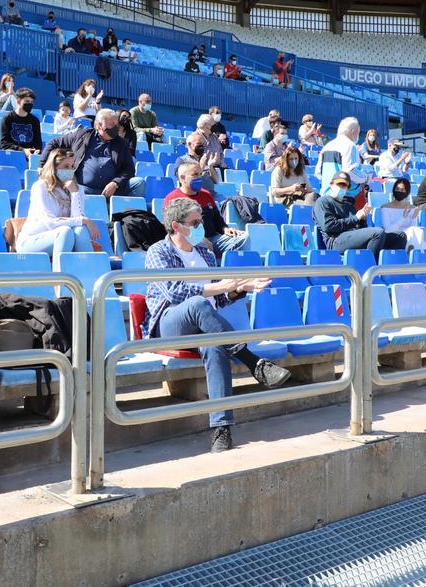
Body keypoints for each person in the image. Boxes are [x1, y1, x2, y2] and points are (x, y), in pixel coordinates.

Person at [143, 197, 289, 453]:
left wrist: (241, 288)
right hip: (169, 323)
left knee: (215, 347)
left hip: (204, 325)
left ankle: (221, 430)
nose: (201, 226)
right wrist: (221, 285)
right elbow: (174, 293)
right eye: (195, 222)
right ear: (177, 226)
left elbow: (219, 299)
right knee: (198, 304)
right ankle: (252, 361)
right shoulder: (159, 251)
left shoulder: (205, 253)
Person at [42, 108, 144, 198]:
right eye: (112, 124)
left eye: (116, 124)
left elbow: (129, 169)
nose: (116, 128)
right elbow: (53, 143)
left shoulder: (122, 143)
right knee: (71, 187)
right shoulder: (82, 135)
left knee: (139, 182)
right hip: (84, 189)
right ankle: (103, 208)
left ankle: (119, 212)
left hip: (112, 191)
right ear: (99, 125)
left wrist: (115, 182)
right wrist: (41, 164)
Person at [18, 148, 97, 257]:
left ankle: (91, 270)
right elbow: (50, 223)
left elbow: (78, 219)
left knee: (80, 230)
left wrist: (74, 193)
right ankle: (60, 272)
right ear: (54, 168)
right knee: (65, 231)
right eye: (66, 166)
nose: (70, 170)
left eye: (72, 166)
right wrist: (83, 220)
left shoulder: (77, 188)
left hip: (64, 238)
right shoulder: (40, 186)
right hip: (33, 239)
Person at [315, 171, 406, 258]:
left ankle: (388, 268)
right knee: (377, 233)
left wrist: (362, 219)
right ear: (331, 184)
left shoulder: (348, 204)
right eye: (339, 184)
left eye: (344, 185)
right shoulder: (323, 202)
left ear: (348, 188)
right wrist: (356, 218)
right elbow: (328, 226)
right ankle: (371, 268)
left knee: (400, 236)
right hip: (336, 240)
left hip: (351, 236)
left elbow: (359, 229)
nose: (341, 188)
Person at [164, 163, 246, 254]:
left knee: (243, 237)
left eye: (200, 174)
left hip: (214, 239)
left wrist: (225, 229)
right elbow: (172, 229)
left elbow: (217, 218)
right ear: (182, 178)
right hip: (190, 241)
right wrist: (200, 240)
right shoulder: (172, 198)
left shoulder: (206, 194)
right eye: (195, 175)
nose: (199, 178)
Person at [316, 117, 365, 197]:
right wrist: (364, 177)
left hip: (326, 195)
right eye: (358, 133)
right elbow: (350, 171)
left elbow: (318, 172)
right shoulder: (350, 145)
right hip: (344, 197)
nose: (358, 136)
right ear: (353, 132)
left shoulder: (327, 146)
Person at [0, 89, 42, 155]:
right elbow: (4, 144)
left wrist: (36, 151)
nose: (30, 104)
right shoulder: (7, 119)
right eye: (27, 101)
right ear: (18, 101)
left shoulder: (35, 121)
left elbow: (38, 143)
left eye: (31, 102)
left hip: (30, 156)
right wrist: (23, 150)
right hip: (13, 154)